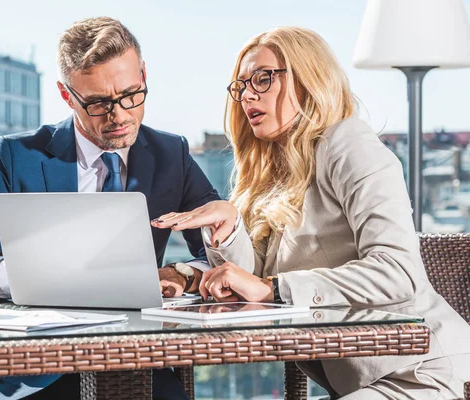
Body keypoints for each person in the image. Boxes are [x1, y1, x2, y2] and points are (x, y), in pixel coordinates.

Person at [152, 27, 470, 399]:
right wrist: (227, 230)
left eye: (263, 78)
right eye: (241, 86)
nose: (247, 94)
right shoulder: (273, 172)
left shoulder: (349, 144)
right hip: (363, 381)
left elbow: (399, 272)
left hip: (424, 371)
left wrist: (273, 288)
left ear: (308, 80)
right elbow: (256, 281)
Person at [0, 17, 222, 400]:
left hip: (136, 369)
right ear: (67, 96)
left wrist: (182, 272)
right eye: (99, 103)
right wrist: (21, 274)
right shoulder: (16, 157)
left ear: (144, 74)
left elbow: (218, 253)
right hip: (28, 374)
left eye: (131, 94)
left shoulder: (171, 154)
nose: (119, 115)